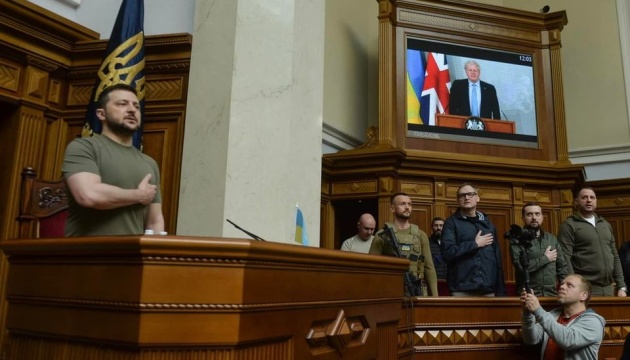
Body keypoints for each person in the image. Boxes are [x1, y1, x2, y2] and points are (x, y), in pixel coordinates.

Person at [62, 83, 165, 236]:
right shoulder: (83, 148)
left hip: (131, 255)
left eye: (136, 106)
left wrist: (156, 256)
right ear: (101, 114)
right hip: (85, 254)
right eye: (122, 104)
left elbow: (154, 220)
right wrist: (139, 195)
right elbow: (89, 195)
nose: (132, 110)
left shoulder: (149, 163)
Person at [557, 187, 627, 297]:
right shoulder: (569, 224)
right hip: (585, 289)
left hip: (609, 288)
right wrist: (572, 286)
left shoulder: (605, 224)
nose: (589, 200)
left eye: (592, 197)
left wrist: (621, 286)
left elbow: (615, 256)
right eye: (584, 197)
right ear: (576, 202)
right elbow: (565, 257)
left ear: (596, 201)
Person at [441, 183, 506, 296]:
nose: (466, 197)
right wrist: (475, 244)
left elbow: (497, 260)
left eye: (470, 194)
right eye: (462, 195)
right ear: (458, 200)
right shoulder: (451, 223)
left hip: (488, 289)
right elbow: (447, 253)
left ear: (477, 198)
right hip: (461, 289)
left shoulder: (488, 225)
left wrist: (500, 292)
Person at [520, 274, 605, 360]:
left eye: (569, 285)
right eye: (562, 284)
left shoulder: (593, 321)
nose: (562, 287)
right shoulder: (553, 315)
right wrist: (528, 313)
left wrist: (538, 310)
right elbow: (531, 339)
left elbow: (568, 341)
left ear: (583, 295)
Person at [369, 193, 438, 297]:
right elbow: (371, 267)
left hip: (416, 290)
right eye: (402, 204)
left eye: (409, 204)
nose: (407, 207)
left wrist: (435, 297)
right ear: (393, 208)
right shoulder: (382, 235)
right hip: (390, 291)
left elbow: (429, 268)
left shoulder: (420, 235)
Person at [509, 202, 568, 296]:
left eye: (537, 214)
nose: (534, 217)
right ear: (523, 218)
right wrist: (546, 258)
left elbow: (562, 268)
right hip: (528, 295)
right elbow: (521, 267)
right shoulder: (517, 240)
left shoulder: (552, 239)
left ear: (542, 217)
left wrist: (567, 289)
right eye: (529, 214)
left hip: (551, 295)